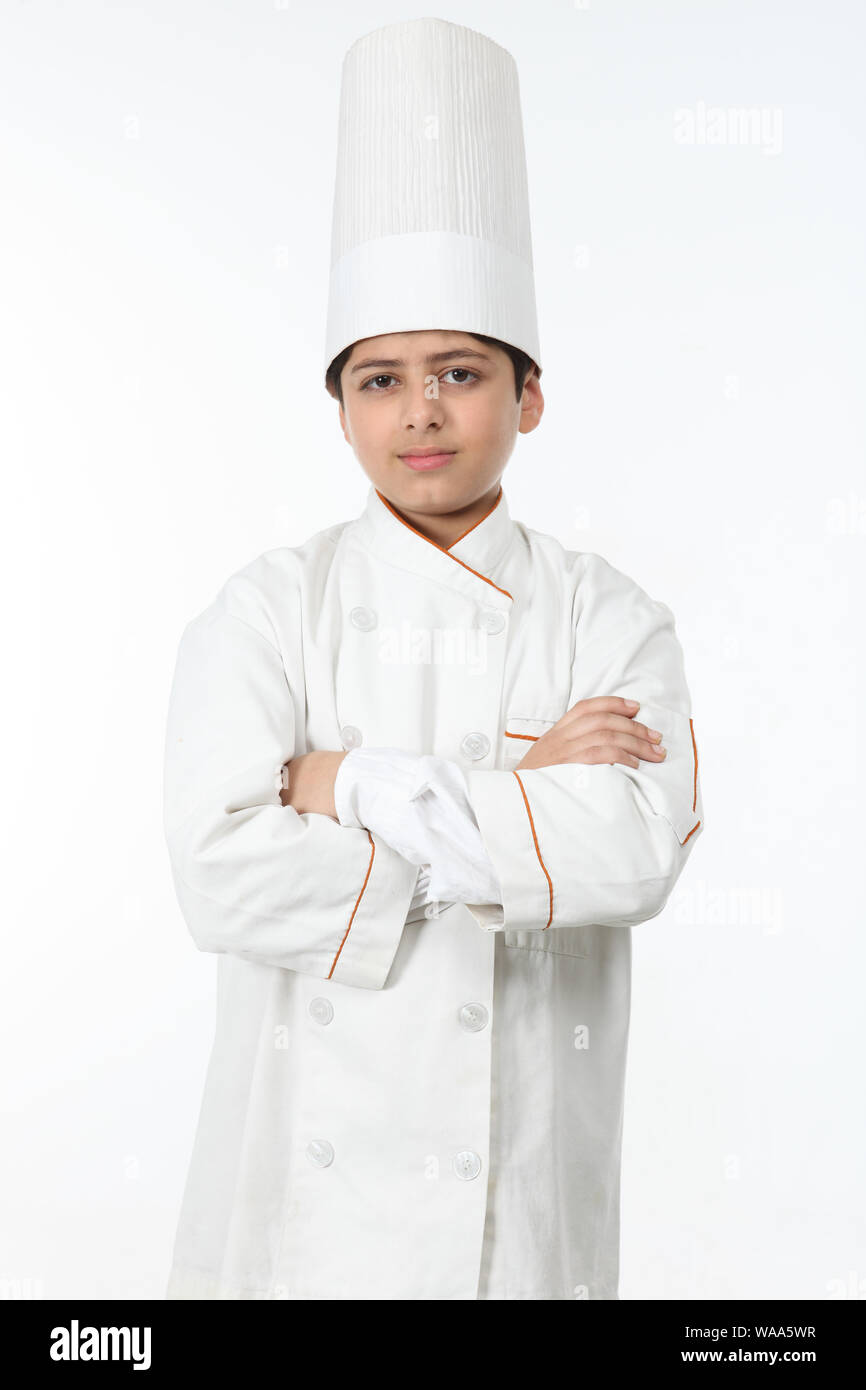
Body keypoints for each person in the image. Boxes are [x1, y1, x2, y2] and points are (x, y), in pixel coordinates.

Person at [162, 17, 704, 1301]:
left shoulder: (607, 614)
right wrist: (527, 801)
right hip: (303, 1217)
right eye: (380, 379)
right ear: (340, 405)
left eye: (458, 373)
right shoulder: (264, 610)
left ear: (525, 394)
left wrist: (342, 783)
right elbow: (218, 872)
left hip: (519, 1205)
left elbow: (631, 853)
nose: (418, 412)